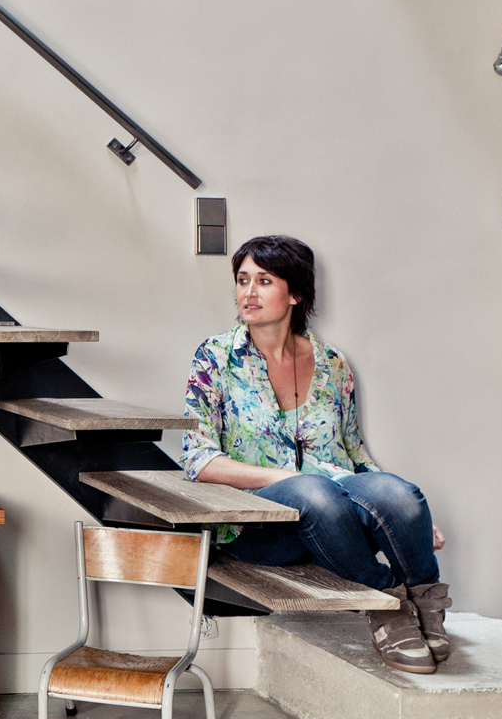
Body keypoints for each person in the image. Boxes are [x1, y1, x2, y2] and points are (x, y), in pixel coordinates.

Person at [181, 234, 452, 673]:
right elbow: (199, 460)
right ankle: (387, 605)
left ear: (296, 294)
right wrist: (288, 480)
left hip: (337, 519)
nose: (249, 292)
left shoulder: (333, 364)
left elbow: (354, 453)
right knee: (313, 492)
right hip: (258, 528)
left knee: (400, 495)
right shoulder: (215, 358)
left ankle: (426, 602)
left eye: (264, 281)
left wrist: (405, 518)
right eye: (243, 280)